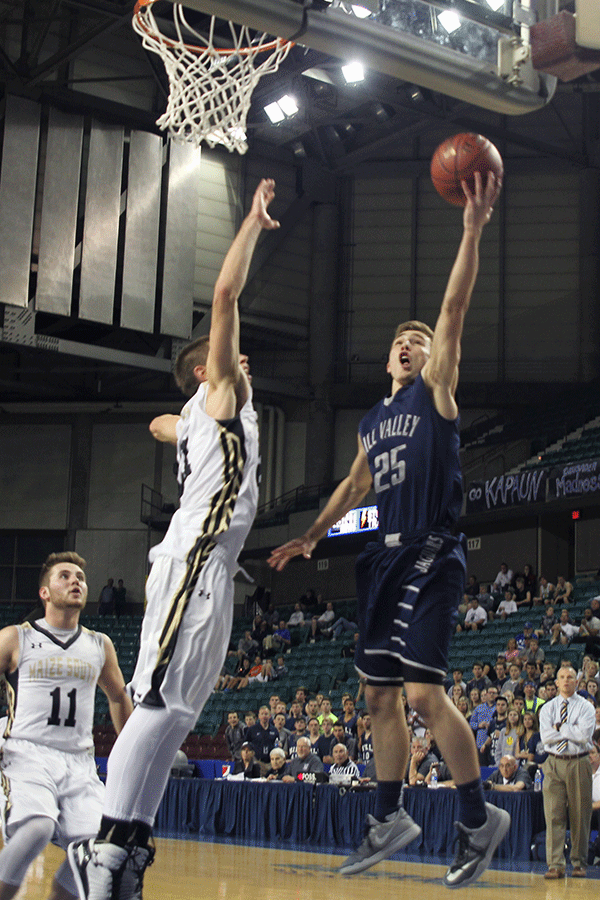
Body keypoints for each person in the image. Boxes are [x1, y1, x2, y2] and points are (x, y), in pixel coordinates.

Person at [268, 171, 508, 886]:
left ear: (432, 357)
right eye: (402, 339)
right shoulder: (376, 421)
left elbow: (455, 304)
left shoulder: (437, 394)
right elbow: (353, 485)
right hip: (380, 559)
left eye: (419, 339)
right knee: (377, 696)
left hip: (433, 550)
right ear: (387, 357)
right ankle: (389, 815)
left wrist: (470, 231)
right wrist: (312, 536)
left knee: (424, 696)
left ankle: (476, 816)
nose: (410, 343)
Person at [68, 179, 278, 900]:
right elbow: (224, 298)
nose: (243, 362)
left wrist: (174, 423)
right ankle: (100, 847)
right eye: (230, 360)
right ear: (205, 370)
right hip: (192, 558)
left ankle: (130, 849)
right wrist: (249, 225)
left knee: (181, 712)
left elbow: (162, 426)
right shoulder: (219, 392)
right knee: (156, 703)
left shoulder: (196, 415)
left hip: (213, 566)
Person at [0, 552, 132, 900]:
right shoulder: (16, 637)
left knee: (102, 849)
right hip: (26, 754)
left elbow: (117, 697)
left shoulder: (99, 644)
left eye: (80, 578)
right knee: (37, 828)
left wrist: (132, 748)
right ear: (45, 592)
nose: (76, 581)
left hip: (79, 762)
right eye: (65, 576)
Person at [539, 664, 596, 879]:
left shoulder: (586, 707)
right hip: (553, 762)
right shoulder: (547, 708)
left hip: (578, 762)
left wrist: (558, 729)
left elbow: (583, 736)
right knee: (553, 814)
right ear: (556, 682)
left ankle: (579, 863)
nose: (565, 681)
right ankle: (555, 864)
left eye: (570, 677)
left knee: (580, 814)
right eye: (561, 677)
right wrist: (568, 730)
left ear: (577, 681)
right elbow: (546, 738)